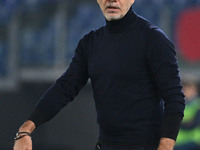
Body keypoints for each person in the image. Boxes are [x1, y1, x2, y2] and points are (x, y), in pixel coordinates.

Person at [13, 0, 185, 149]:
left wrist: (165, 146)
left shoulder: (154, 39)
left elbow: (175, 98)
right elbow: (64, 88)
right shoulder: (90, 43)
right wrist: (26, 129)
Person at [175, 75, 200, 150]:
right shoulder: (178, 104)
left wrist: (174, 122)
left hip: (193, 142)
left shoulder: (198, 105)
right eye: (184, 88)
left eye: (189, 88)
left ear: (195, 90)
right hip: (178, 142)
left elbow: (192, 124)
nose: (185, 91)